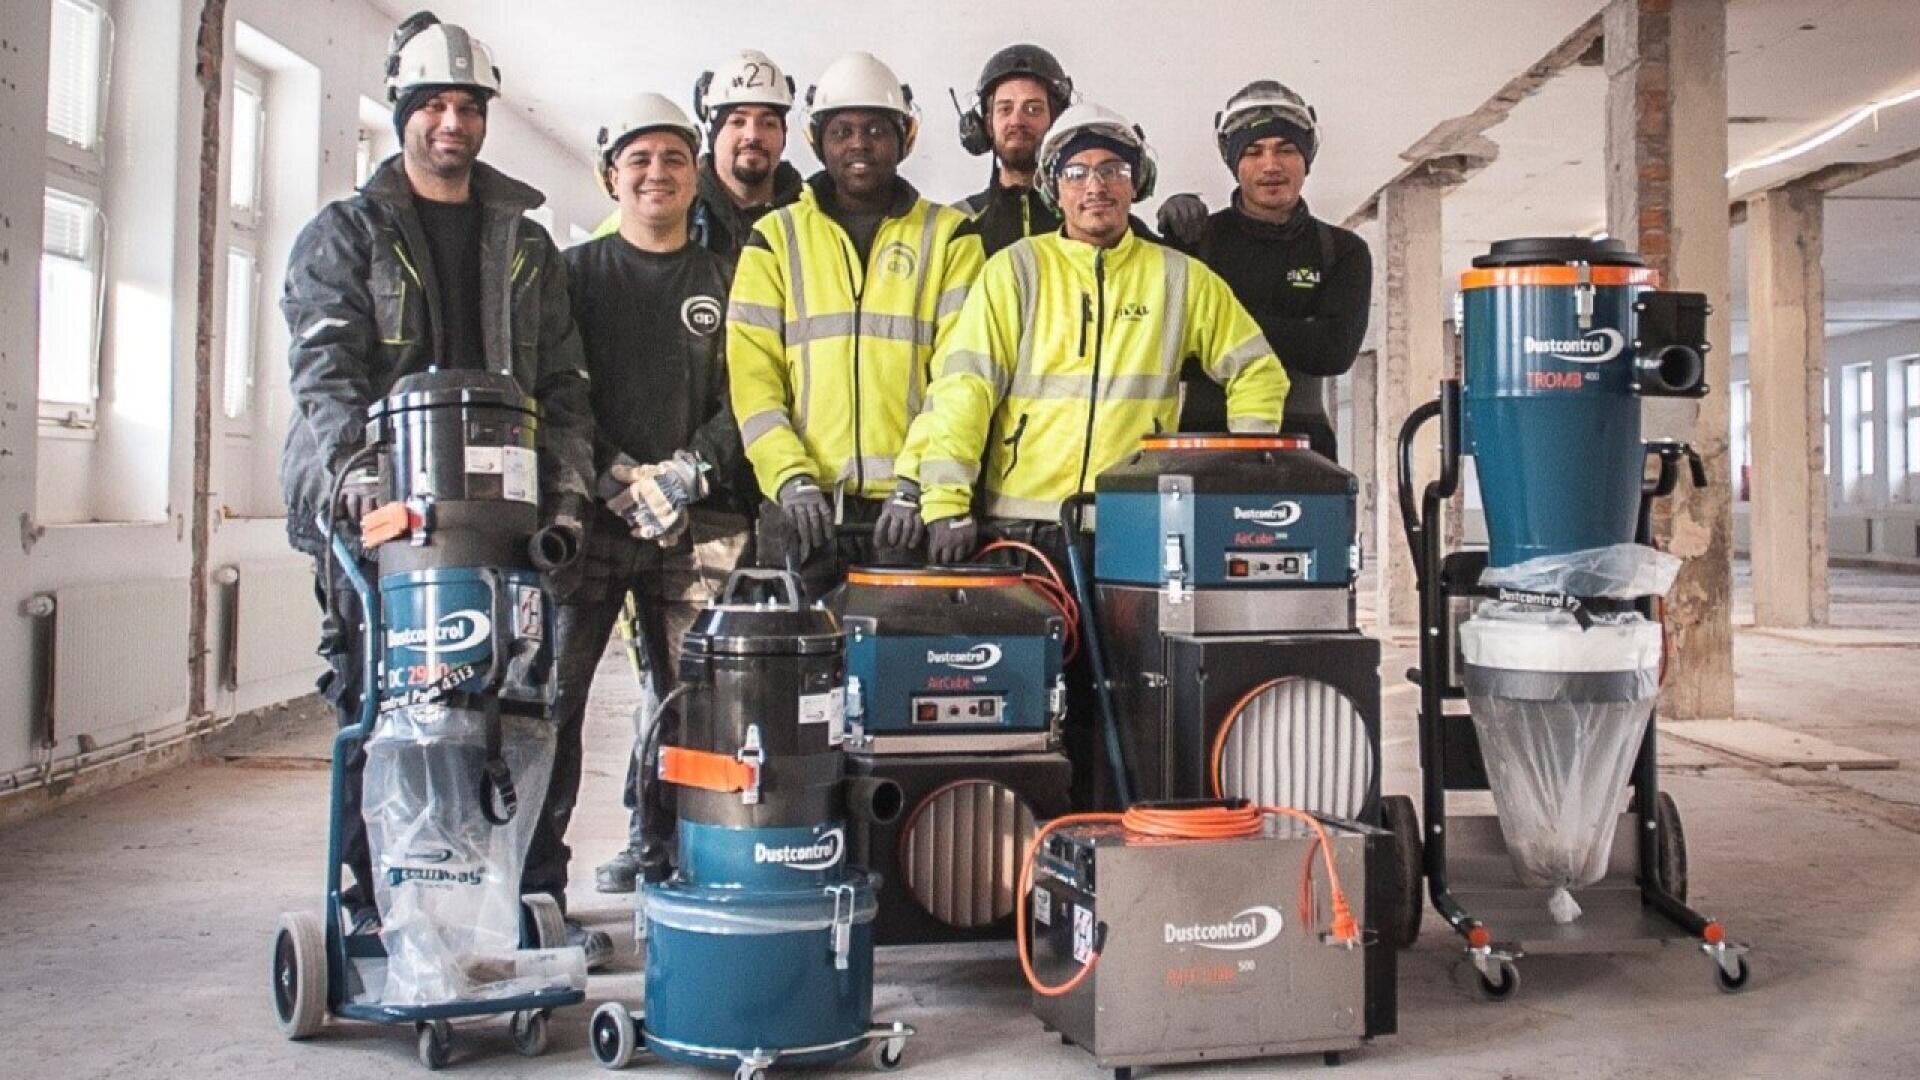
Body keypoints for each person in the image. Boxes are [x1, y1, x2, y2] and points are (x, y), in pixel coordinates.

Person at [278, 11, 603, 961]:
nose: (453, 123)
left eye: (469, 106)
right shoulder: (346, 234)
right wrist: (356, 484)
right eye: (434, 105)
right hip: (385, 514)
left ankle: (507, 887)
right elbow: (325, 376)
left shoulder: (528, 246)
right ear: (402, 112)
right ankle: (374, 897)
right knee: (379, 704)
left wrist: (569, 497)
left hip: (497, 516)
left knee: (505, 704)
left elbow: (564, 391)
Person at [896, 104, 1289, 808]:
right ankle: (1036, 847)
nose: (1096, 186)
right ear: (1055, 187)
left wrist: (1233, 482)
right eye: (1077, 171)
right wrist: (945, 501)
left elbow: (1258, 371)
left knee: (1133, 706)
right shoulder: (1016, 271)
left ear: (1136, 183)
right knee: (1026, 706)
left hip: (1132, 541)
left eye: (1112, 169)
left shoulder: (1179, 279)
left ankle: (1121, 840)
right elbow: (962, 391)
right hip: (1024, 538)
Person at [527, 94, 750, 898]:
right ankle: (534, 884)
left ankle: (669, 856)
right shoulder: (572, 275)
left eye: (674, 159)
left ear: (696, 177)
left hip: (698, 522)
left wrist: (689, 471)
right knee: (553, 700)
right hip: (587, 520)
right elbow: (553, 385)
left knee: (691, 702)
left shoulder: (729, 280)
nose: (657, 173)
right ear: (610, 174)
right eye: (639, 159)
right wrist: (612, 471)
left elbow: (751, 396)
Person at [727, 50, 983, 598]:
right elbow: (753, 382)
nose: (859, 143)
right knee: (802, 678)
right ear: (819, 142)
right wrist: (789, 478)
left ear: (904, 139)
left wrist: (917, 483)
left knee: (902, 678)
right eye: (842, 130)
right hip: (802, 516)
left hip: (905, 520)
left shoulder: (952, 237)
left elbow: (960, 381)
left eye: (875, 129)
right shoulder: (775, 239)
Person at [1154, 81, 1372, 459]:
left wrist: (1217, 327)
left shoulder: (1341, 250)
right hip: (1203, 439)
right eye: (1253, 151)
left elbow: (1333, 353)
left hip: (1305, 444)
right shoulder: (1197, 241)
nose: (1271, 165)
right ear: (1234, 162)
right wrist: (1163, 242)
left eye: (1286, 149)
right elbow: (1171, 353)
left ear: (1307, 158)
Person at [588, 50, 805, 268]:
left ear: (784, 135)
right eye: (738, 122)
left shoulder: (811, 216)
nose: (753, 135)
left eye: (768, 123)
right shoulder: (655, 208)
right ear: (713, 132)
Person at [952, 44, 1073, 257]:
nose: (1017, 121)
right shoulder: (956, 221)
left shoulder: (1085, 217)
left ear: (1057, 122)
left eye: (1033, 109)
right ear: (987, 125)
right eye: (1005, 109)